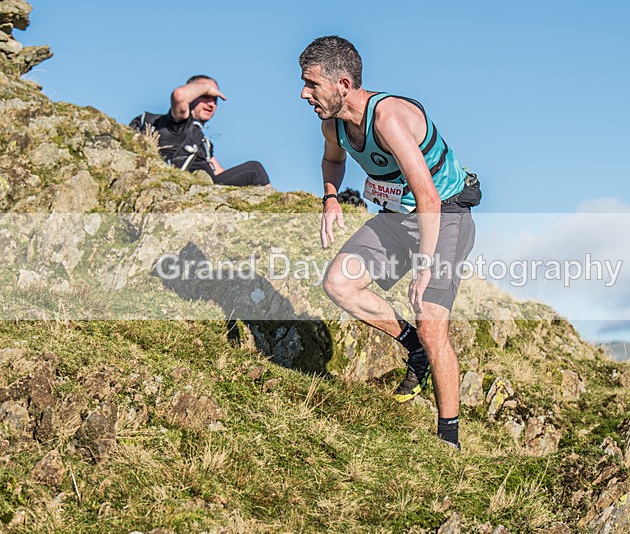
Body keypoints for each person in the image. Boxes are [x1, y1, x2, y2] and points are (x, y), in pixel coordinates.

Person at [299, 36, 481, 449]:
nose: (304, 93)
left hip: (444, 215)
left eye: (311, 84)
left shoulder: (388, 119)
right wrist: (331, 198)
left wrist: (424, 267)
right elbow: (333, 159)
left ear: (343, 84)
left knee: (432, 321)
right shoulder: (333, 123)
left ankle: (447, 438)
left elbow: (429, 197)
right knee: (338, 284)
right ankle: (410, 345)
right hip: (398, 217)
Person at [131, 75, 270, 186]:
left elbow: (220, 174)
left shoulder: (203, 141)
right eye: (205, 96)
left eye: (215, 99)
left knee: (252, 172)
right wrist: (205, 87)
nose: (211, 104)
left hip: (208, 189)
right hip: (188, 188)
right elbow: (179, 95)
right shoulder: (176, 125)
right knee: (254, 169)